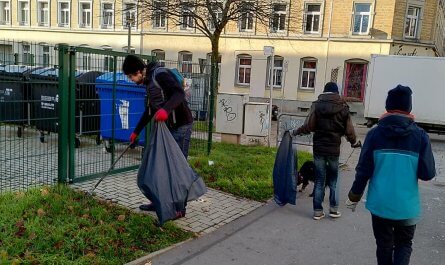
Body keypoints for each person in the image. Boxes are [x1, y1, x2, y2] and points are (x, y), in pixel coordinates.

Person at [346, 85, 436, 265]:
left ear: (388, 106)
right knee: (404, 244)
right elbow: (427, 174)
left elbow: (363, 170)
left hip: (380, 205)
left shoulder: (374, 134)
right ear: (409, 108)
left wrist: (354, 196)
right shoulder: (420, 136)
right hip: (407, 206)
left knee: (384, 246)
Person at [122, 55, 193, 214]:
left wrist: (165, 110)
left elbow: (178, 94)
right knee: (159, 166)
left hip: (181, 125)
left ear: (139, 71)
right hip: (167, 128)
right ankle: (158, 201)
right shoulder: (148, 82)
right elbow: (150, 110)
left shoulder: (160, 74)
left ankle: (179, 209)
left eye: (131, 76)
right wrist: (136, 131)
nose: (131, 80)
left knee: (176, 169)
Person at [293, 82, 360, 220]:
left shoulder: (317, 105)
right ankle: (334, 210)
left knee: (319, 180)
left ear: (324, 92)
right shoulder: (343, 107)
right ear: (336, 93)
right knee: (333, 181)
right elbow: (349, 130)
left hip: (319, 149)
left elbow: (309, 126)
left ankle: (318, 211)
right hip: (334, 150)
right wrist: (354, 142)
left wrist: (296, 132)